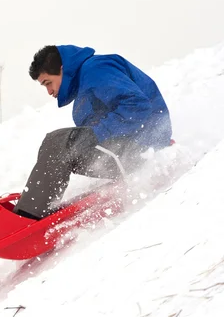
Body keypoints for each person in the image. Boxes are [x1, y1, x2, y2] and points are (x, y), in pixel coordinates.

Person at [12, 45, 173, 220]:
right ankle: (37, 206)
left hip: (144, 146)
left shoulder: (96, 69)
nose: (49, 91)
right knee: (65, 147)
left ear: (62, 69)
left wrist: (96, 133)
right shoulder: (83, 94)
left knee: (57, 141)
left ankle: (28, 215)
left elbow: (137, 105)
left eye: (48, 83)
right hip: (127, 150)